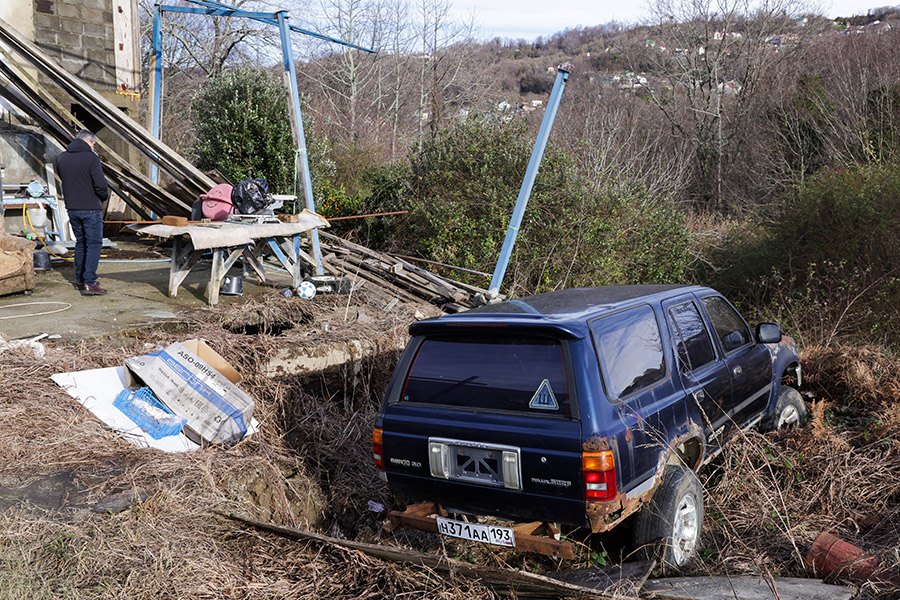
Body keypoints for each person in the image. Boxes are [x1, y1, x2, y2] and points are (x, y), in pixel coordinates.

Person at [56, 130, 108, 295]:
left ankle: (80, 279)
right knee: (93, 244)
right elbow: (100, 184)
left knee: (81, 243)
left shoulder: (61, 157)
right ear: (88, 141)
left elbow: (65, 179)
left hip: (72, 208)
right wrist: (103, 197)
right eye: (93, 144)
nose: (93, 147)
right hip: (90, 208)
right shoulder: (91, 158)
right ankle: (89, 282)